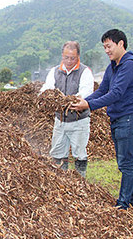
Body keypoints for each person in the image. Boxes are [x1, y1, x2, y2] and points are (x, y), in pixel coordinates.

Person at [71, 29, 133, 210]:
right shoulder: (113, 66)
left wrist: (88, 106)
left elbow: (116, 93)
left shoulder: (129, 65)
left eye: (109, 46)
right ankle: (131, 199)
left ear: (121, 44)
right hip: (118, 119)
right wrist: (85, 100)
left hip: (129, 119)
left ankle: (123, 203)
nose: (106, 50)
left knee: (125, 164)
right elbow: (103, 89)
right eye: (104, 47)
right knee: (125, 162)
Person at [40, 41, 94, 177]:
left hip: (79, 121)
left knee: (79, 153)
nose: (69, 61)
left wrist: (66, 101)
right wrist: (46, 96)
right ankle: (61, 181)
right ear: (62, 56)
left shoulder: (85, 72)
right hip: (60, 121)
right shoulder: (55, 71)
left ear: (78, 56)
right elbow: (47, 88)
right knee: (57, 152)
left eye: (72, 58)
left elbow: (84, 93)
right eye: (66, 57)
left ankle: (80, 182)